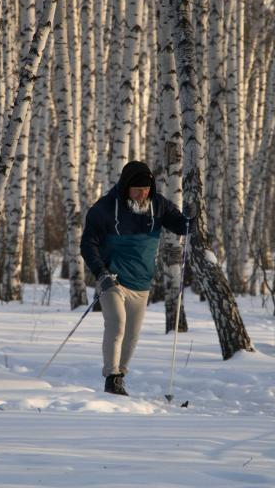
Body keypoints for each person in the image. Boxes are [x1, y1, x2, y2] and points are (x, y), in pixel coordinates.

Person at [80, 161, 195, 396]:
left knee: (132, 335)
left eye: (146, 189)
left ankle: (120, 375)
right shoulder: (104, 208)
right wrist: (101, 272)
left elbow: (181, 226)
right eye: (137, 189)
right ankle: (111, 377)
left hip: (141, 283)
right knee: (117, 324)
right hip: (112, 279)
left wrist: (191, 219)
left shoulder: (158, 205)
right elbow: (87, 244)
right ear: (125, 188)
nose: (142, 194)